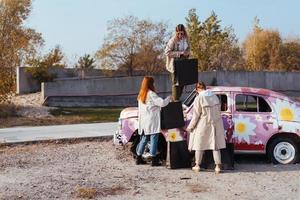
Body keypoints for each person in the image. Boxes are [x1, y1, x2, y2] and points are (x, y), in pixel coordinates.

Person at [186, 81, 226, 174]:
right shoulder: (215, 96)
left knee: (199, 145)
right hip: (216, 123)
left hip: (203, 124)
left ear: (197, 89)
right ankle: (217, 166)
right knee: (215, 146)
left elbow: (196, 115)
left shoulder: (199, 98)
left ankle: (197, 165)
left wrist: (190, 127)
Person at [136, 76, 171, 166]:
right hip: (152, 120)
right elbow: (162, 103)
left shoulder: (141, 94)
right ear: (151, 84)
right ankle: (154, 159)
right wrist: (169, 98)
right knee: (154, 138)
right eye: (153, 82)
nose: (155, 84)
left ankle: (138, 157)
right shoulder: (151, 94)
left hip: (144, 120)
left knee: (144, 138)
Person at [165, 24, 190, 101]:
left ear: (184, 32)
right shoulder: (173, 40)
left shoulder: (186, 39)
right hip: (175, 65)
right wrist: (180, 53)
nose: (180, 35)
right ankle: (174, 101)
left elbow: (189, 49)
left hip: (184, 64)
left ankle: (176, 99)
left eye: (181, 33)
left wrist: (187, 53)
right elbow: (167, 52)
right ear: (176, 33)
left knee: (183, 83)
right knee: (176, 84)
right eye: (178, 33)